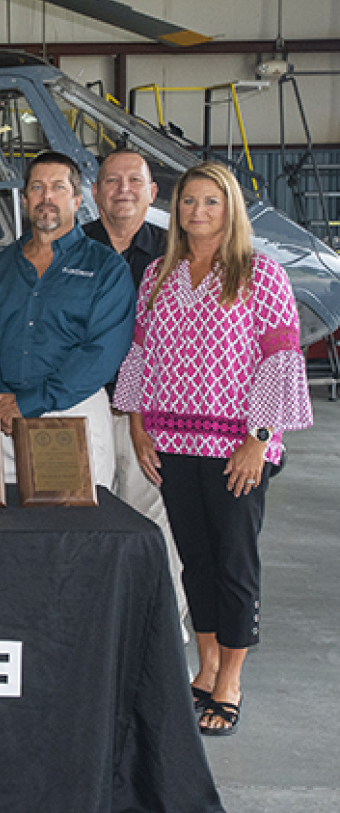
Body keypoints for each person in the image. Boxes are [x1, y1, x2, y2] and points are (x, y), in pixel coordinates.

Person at [114, 161, 312, 737]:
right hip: (173, 440)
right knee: (194, 559)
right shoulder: (158, 274)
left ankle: (231, 680)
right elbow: (144, 355)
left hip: (236, 447)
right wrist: (138, 426)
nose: (197, 212)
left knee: (234, 561)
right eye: (188, 202)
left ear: (231, 209)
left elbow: (279, 359)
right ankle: (203, 669)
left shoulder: (260, 273)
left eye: (210, 202)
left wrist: (259, 439)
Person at [0, 150, 135, 488]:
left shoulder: (106, 268)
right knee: (13, 527)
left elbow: (101, 353)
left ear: (76, 200)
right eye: (37, 188)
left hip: (73, 413)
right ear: (25, 199)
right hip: (5, 422)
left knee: (81, 532)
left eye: (58, 187)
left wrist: (29, 404)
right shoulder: (0, 268)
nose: (46, 197)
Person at [86, 148, 188, 631]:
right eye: (111, 180)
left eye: (134, 180)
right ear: (95, 193)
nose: (123, 189)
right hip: (83, 409)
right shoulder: (70, 247)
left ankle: (161, 633)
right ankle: (95, 629)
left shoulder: (180, 253)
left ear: (152, 193)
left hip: (151, 418)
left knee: (156, 527)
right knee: (87, 520)